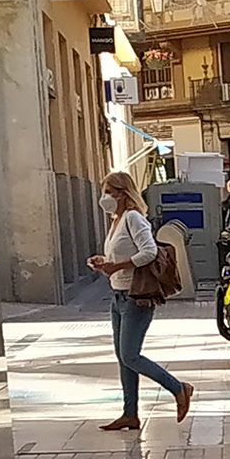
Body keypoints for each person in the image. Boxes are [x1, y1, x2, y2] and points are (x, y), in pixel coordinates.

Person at [89, 171, 193, 431]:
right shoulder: (116, 220)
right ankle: (129, 413)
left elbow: (149, 252)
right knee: (123, 357)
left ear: (123, 193)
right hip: (118, 295)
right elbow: (121, 254)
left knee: (130, 355)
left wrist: (118, 266)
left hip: (136, 297)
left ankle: (179, 388)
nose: (105, 198)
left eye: (109, 192)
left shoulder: (134, 218)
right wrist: (104, 262)